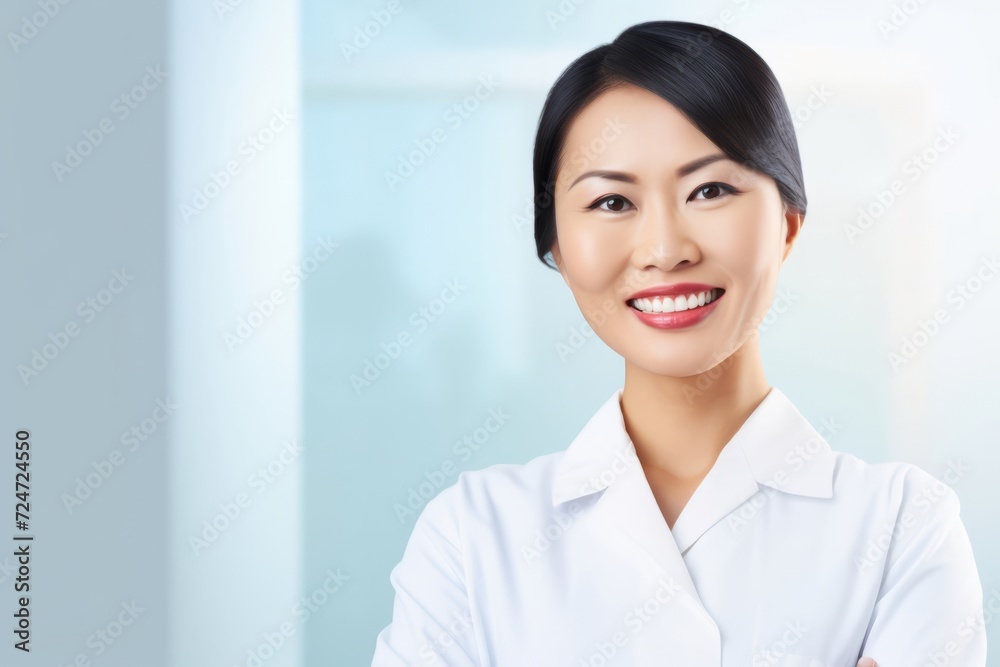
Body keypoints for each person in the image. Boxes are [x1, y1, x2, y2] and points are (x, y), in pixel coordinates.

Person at [371, 20, 986, 666]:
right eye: (612, 202)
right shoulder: (472, 538)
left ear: (788, 223)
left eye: (711, 190)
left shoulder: (902, 531)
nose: (665, 250)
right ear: (557, 244)